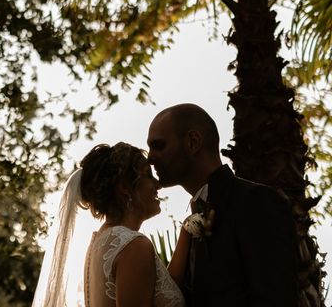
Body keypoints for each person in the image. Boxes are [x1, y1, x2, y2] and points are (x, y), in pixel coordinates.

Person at [147, 103, 298, 306]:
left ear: (193, 142)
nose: (150, 158)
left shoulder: (256, 202)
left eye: (159, 145)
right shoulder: (192, 224)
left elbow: (276, 298)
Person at [32, 142, 188, 307]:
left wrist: (186, 232)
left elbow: (161, 290)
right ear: (125, 188)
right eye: (148, 176)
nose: (158, 185)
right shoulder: (134, 246)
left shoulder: (101, 243)